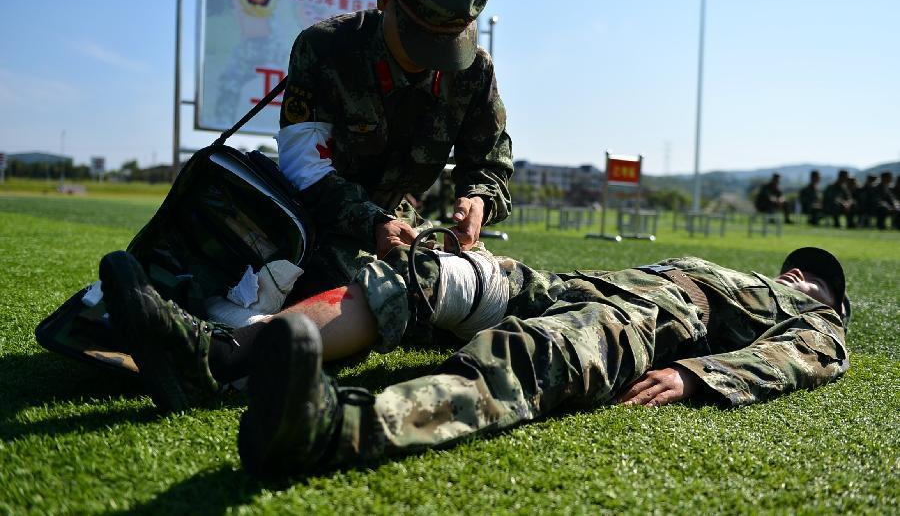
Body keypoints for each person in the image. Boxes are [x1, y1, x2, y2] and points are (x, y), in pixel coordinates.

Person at [91, 237, 850, 476]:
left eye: (812, 277)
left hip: (635, 322)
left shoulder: (822, 326)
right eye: (797, 267)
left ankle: (334, 427)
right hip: (569, 283)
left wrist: (695, 373)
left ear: (829, 300)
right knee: (430, 273)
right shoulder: (752, 275)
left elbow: (793, 362)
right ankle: (217, 358)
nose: (797, 275)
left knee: (519, 361)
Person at [276, 0, 512, 300]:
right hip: (314, 219)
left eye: (446, 44)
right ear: (385, 0)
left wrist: (478, 198)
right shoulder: (325, 50)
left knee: (482, 286)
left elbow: (490, 161)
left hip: (397, 220)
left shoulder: (473, 72)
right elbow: (303, 168)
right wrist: (371, 222)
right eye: (420, 39)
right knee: (357, 291)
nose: (431, 59)